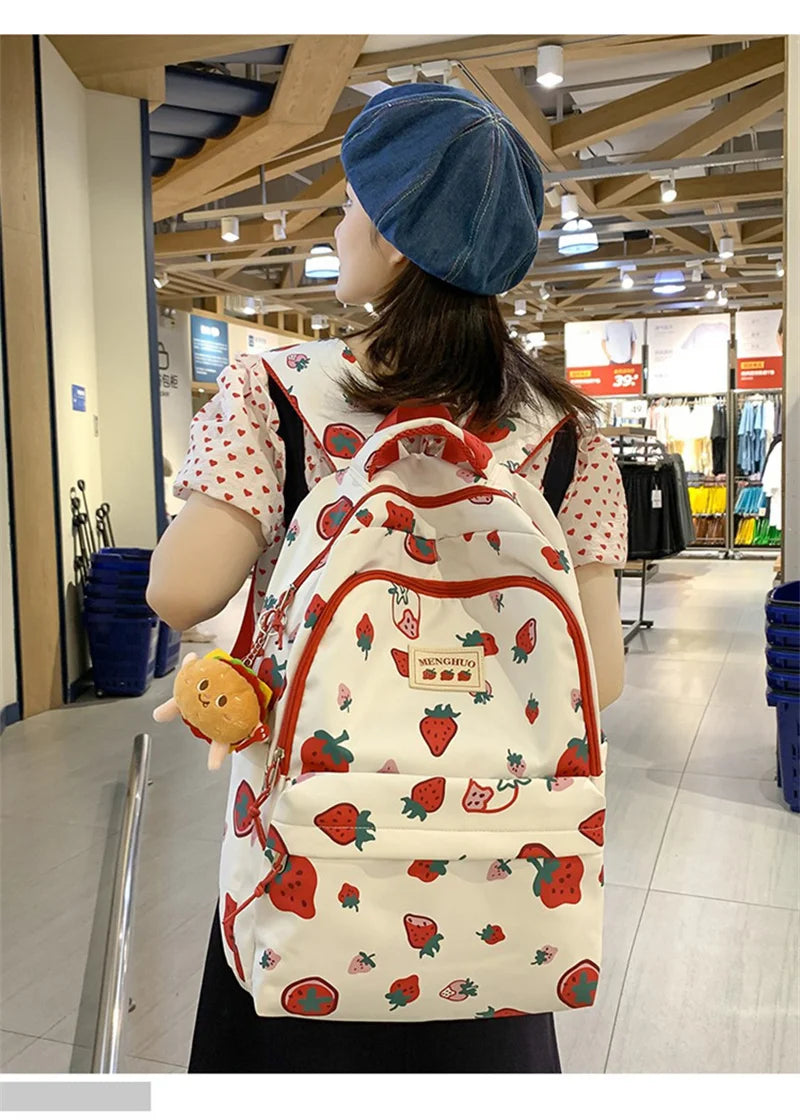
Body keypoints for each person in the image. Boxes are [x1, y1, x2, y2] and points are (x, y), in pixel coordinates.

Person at [147, 83, 628, 1074]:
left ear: (398, 239)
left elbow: (176, 593)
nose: (338, 224)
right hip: (491, 882)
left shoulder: (278, 391)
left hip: (313, 866)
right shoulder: (564, 432)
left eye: (352, 204)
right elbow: (598, 679)